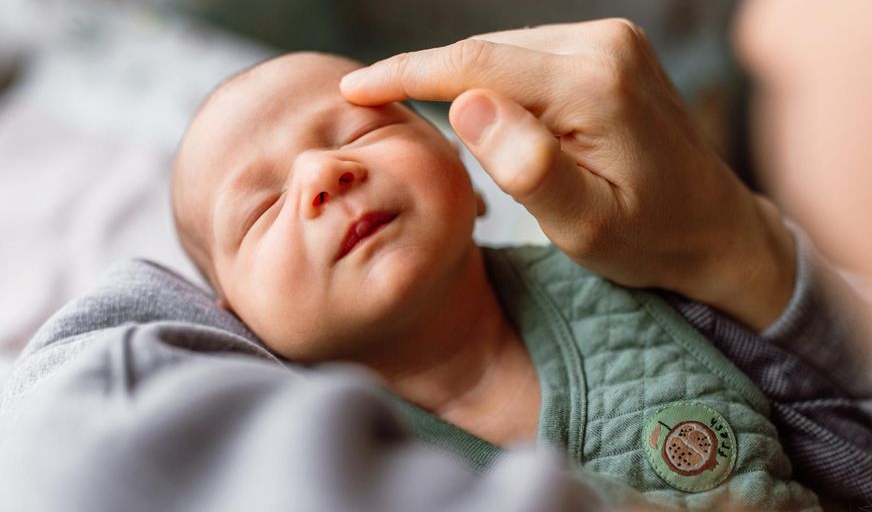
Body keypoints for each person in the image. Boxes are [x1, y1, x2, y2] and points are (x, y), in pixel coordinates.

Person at [169, 51, 819, 510]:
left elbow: (851, 423)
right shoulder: (310, 456)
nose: (322, 174)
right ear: (235, 319)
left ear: (465, 167)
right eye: (261, 207)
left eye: (361, 131)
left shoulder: (632, 276)